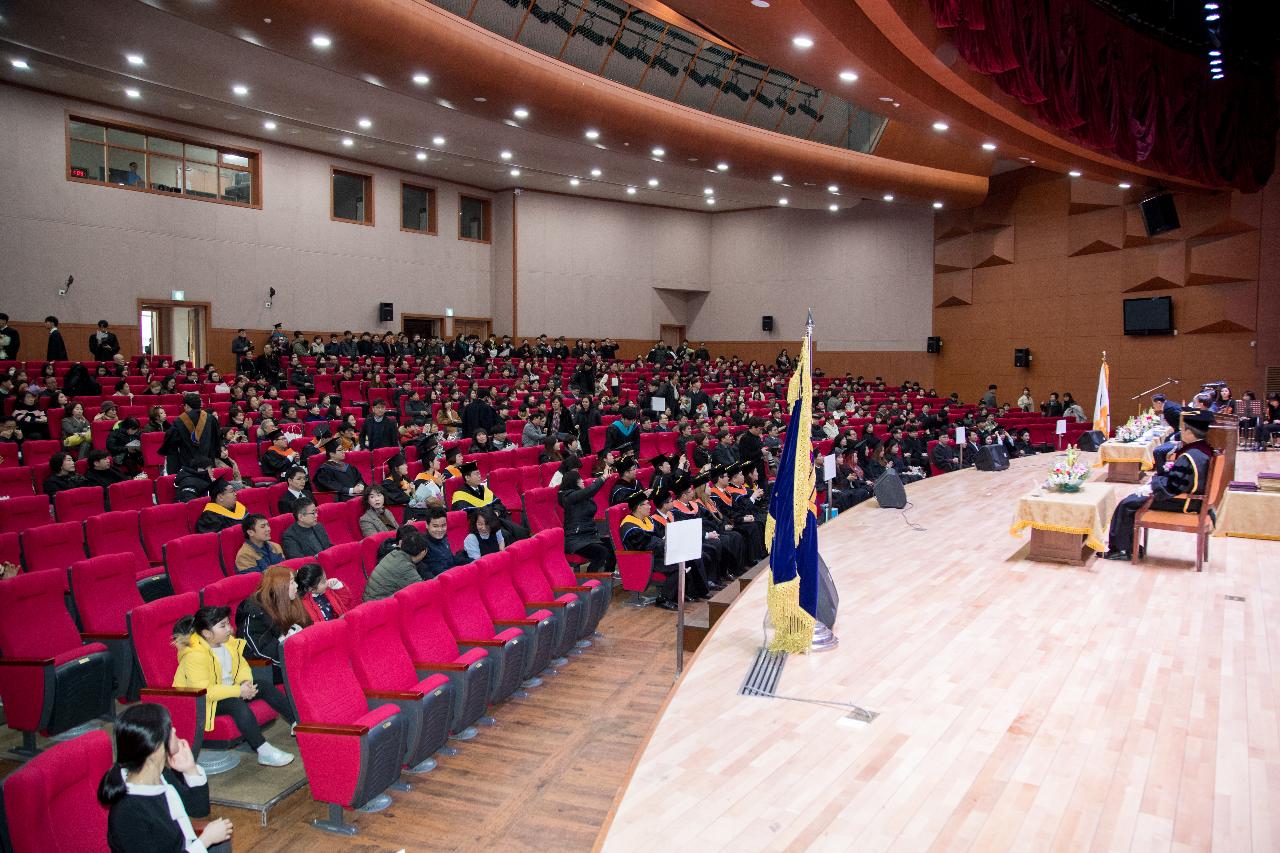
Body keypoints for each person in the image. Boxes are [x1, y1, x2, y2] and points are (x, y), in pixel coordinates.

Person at [98, 703, 234, 853]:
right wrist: (205, 841)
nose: (174, 730)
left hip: (185, 847)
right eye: (169, 729)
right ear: (156, 748)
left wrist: (190, 770)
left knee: (221, 841)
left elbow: (199, 809)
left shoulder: (161, 775)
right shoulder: (128, 813)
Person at [172, 605, 295, 766]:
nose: (229, 629)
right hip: (201, 702)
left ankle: (297, 722)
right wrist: (239, 691)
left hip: (230, 690)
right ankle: (263, 750)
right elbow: (204, 691)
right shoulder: (195, 655)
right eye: (223, 626)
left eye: (228, 623)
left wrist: (245, 683)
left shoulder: (228, 643)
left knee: (263, 685)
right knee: (236, 704)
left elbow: (242, 665)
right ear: (207, 634)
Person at [1104, 411, 1216, 560]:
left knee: (1127, 504)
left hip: (1185, 502)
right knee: (1133, 498)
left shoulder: (1190, 456)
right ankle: (1129, 546)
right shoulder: (1204, 449)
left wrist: (1153, 485)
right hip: (1197, 501)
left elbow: (1174, 486)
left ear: (1189, 432)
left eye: (1182, 430)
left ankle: (1122, 550)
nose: (1181, 432)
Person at [236, 565, 309, 688]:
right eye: (292, 583)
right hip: (264, 667)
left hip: (289, 656)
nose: (297, 586)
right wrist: (296, 656)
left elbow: (308, 627)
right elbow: (263, 652)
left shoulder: (289, 600)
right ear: (279, 587)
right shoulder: (253, 613)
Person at [558, 466, 612, 571]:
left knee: (611, 545)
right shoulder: (569, 497)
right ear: (573, 482)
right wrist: (603, 477)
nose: (583, 481)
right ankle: (591, 577)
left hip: (589, 535)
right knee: (602, 552)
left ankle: (608, 577)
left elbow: (588, 492)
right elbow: (590, 490)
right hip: (576, 539)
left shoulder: (582, 495)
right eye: (579, 479)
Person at [363, 528, 433, 602]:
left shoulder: (395, 553)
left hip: (371, 599)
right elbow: (423, 591)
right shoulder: (405, 567)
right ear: (423, 552)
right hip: (377, 605)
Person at [161, 394, 220, 476]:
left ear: (186, 406)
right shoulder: (211, 418)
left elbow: (171, 445)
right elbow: (216, 441)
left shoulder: (179, 421)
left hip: (188, 466)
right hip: (207, 465)